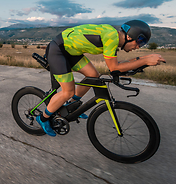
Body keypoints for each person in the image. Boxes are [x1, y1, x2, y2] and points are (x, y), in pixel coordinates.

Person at [37, 20, 166, 137]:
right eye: (140, 41)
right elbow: (114, 68)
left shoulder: (113, 37)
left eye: (142, 44)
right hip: (58, 50)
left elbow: (121, 64)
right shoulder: (111, 37)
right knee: (67, 91)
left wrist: (144, 59)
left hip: (71, 52)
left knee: (93, 76)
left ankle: (72, 106)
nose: (138, 47)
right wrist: (146, 60)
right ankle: (43, 119)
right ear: (129, 36)